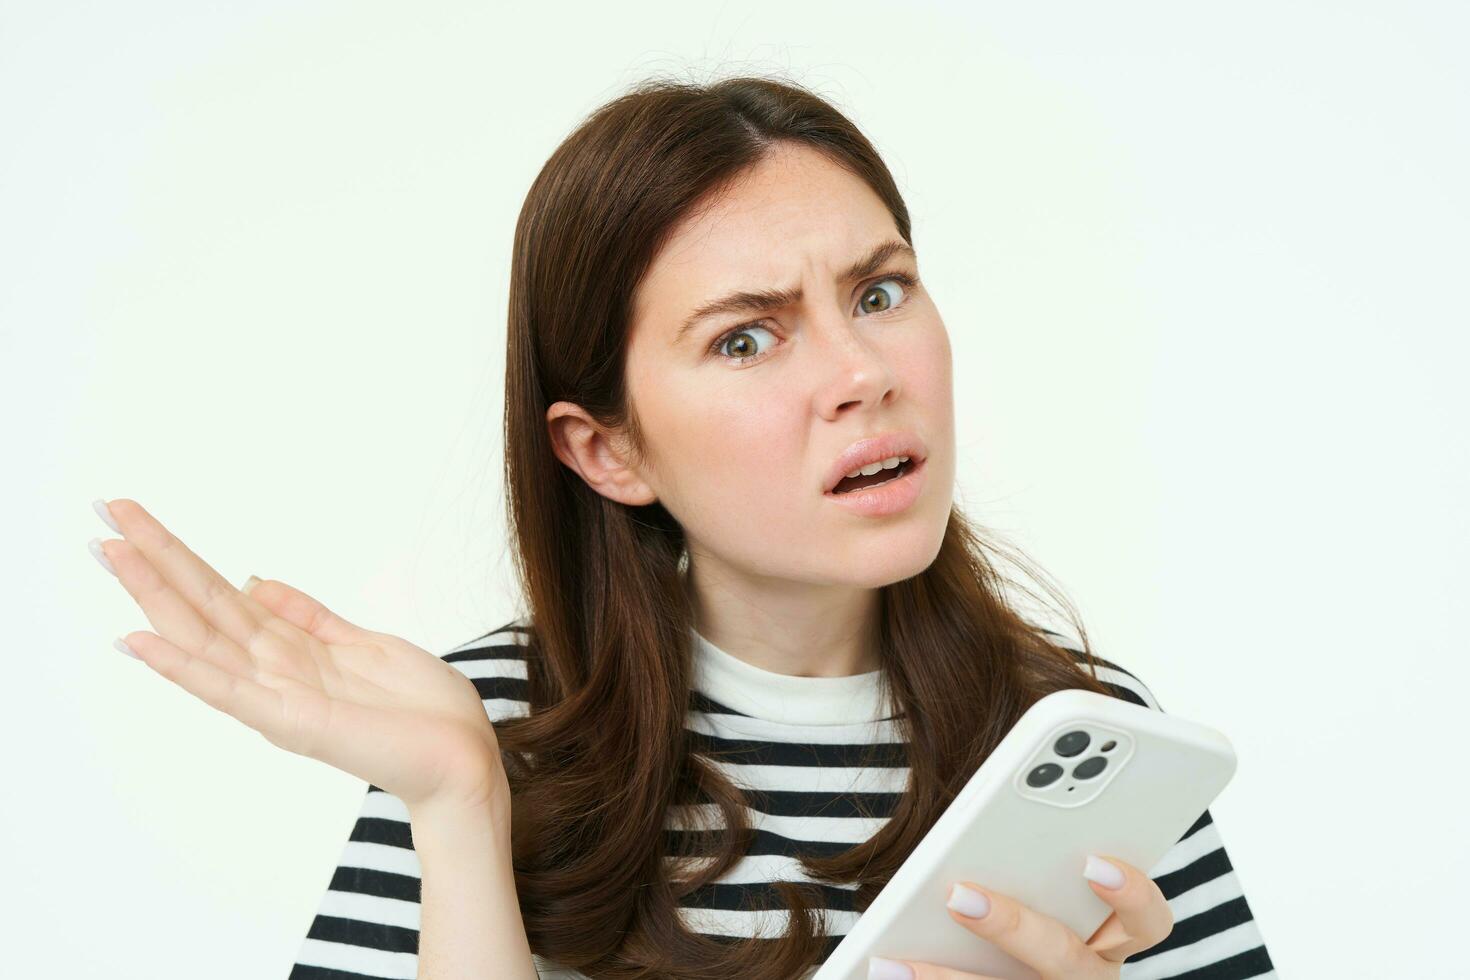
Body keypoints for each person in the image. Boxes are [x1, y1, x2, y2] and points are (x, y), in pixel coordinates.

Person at [89, 74, 1276, 980]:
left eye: (878, 291)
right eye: (744, 338)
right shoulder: (488, 732)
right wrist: (458, 807)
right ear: (609, 449)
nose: (862, 372)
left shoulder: (1085, 742)